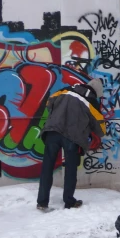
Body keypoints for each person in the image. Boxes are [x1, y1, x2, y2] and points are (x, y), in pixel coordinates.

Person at [36, 78, 106, 210]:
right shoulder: (91, 101)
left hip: (52, 131)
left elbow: (49, 102)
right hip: (72, 137)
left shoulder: (66, 90)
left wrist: (58, 115)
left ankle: (42, 201)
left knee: (47, 167)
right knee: (70, 170)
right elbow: (101, 130)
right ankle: (69, 201)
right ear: (96, 92)